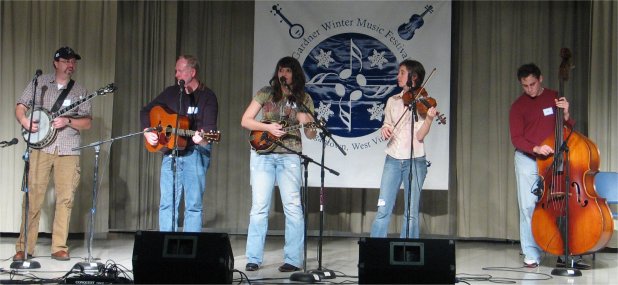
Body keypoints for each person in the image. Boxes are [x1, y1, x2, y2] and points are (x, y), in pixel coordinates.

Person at [14, 46, 92, 261]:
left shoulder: (80, 91)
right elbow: (20, 105)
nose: (71, 65)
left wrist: (68, 121)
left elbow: (87, 122)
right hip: (40, 149)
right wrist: (23, 119)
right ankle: (24, 247)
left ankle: (59, 246)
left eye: (73, 62)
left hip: (68, 149)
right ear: (56, 63)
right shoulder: (39, 83)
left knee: (65, 199)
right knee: (32, 198)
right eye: (67, 61)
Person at [241, 56, 317, 272]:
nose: (283, 74)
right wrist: (268, 128)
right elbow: (245, 120)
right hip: (262, 153)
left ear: (295, 74)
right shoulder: (266, 92)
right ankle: (254, 257)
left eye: (287, 71)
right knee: (259, 207)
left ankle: (293, 259)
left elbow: (310, 135)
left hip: (290, 155)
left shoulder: (303, 98)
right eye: (280, 70)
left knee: (293, 207)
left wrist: (310, 123)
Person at [509, 63, 588, 269]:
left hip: (554, 160)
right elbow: (516, 138)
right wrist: (536, 148)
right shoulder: (518, 106)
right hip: (527, 160)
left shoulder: (555, 98)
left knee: (559, 204)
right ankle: (531, 253)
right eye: (525, 86)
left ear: (540, 79)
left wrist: (567, 114)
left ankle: (564, 250)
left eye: (533, 84)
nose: (530, 89)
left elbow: (568, 130)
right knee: (528, 207)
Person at [140, 55, 218, 232]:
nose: (176, 75)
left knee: (193, 205)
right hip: (171, 152)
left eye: (180, 71)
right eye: (176, 71)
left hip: (195, 152)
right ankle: (167, 246)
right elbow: (146, 111)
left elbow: (210, 129)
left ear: (192, 72)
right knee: (167, 203)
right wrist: (147, 131)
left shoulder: (207, 97)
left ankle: (190, 249)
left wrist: (203, 137)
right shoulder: (171, 93)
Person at [370, 59, 436, 239]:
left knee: (411, 212)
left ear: (413, 77)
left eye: (402, 73)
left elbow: (420, 136)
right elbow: (387, 124)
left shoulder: (423, 101)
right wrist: (385, 129)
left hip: (415, 161)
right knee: (383, 208)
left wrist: (429, 119)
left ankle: (409, 254)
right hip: (393, 159)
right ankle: (375, 251)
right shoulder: (393, 100)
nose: (398, 76)